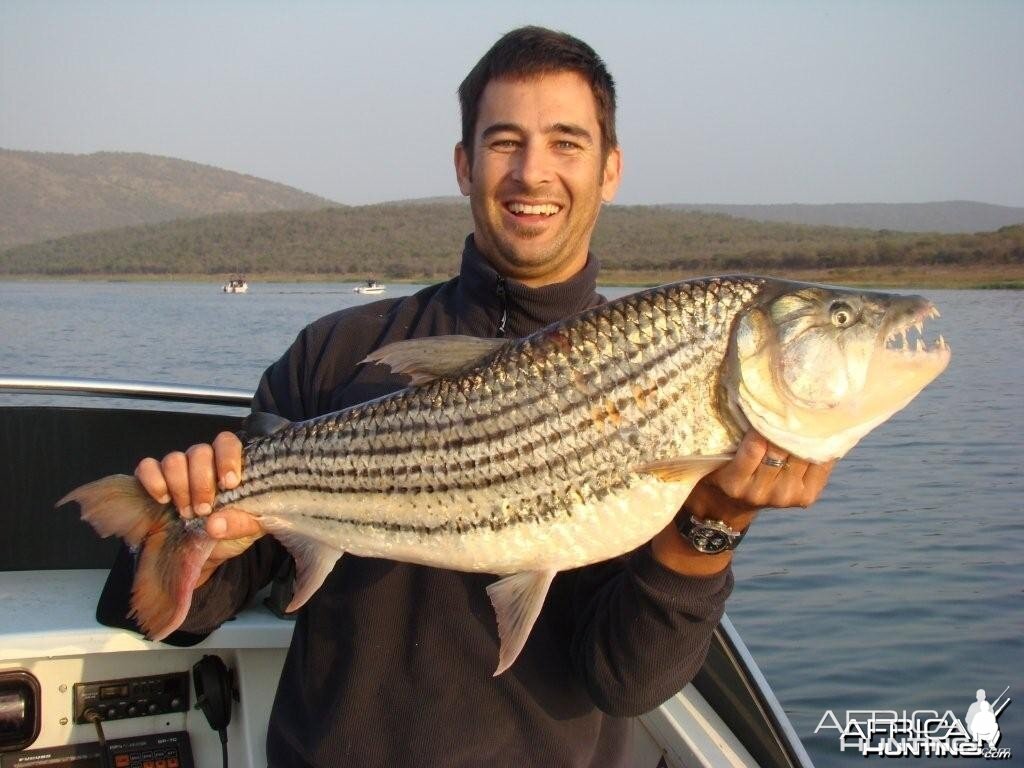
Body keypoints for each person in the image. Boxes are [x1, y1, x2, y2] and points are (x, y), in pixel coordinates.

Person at [104, 26, 834, 768]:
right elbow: (177, 616)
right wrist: (194, 536)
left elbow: (626, 682)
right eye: (504, 141)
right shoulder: (335, 353)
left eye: (567, 143)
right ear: (464, 164)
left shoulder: (669, 384)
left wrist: (714, 525)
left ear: (611, 170)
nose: (532, 173)